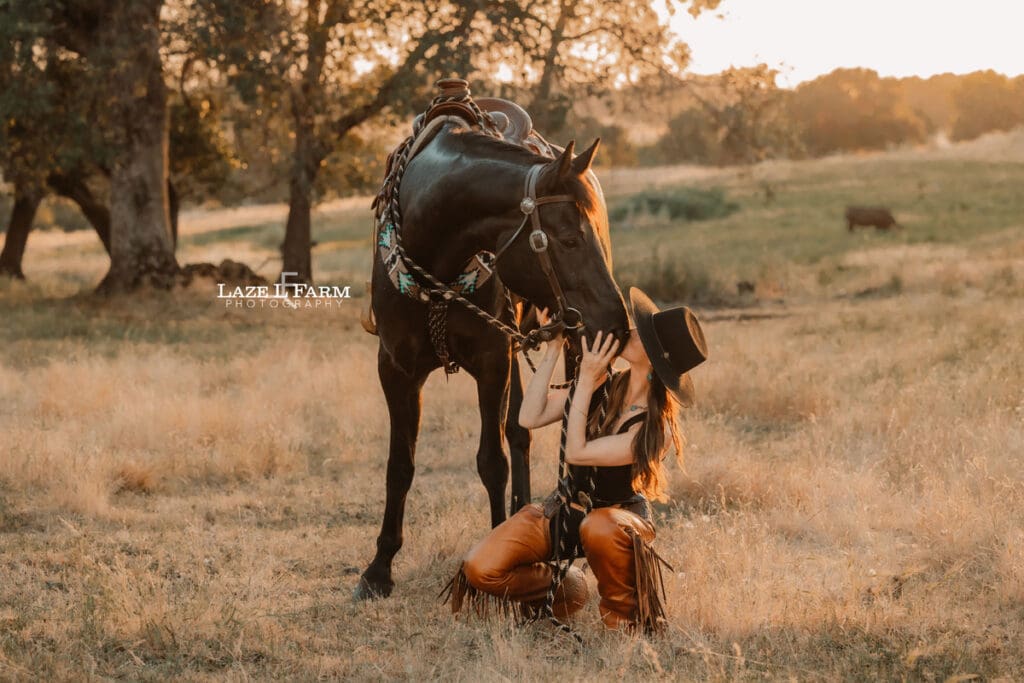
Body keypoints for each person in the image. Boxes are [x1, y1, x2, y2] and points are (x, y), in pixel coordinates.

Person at [443, 287, 708, 632]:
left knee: (598, 525)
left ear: (657, 361)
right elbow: (529, 415)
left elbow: (576, 452)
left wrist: (584, 380)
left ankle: (625, 622)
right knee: (480, 566)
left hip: (617, 522)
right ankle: (567, 587)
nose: (629, 330)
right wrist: (553, 349)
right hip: (565, 508)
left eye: (642, 335)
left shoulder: (654, 430)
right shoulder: (602, 386)